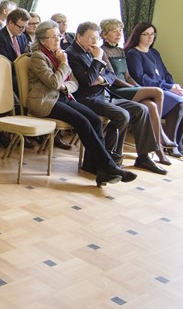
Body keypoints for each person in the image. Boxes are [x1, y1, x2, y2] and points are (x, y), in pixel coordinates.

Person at [25, 20, 137, 187]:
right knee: (82, 122)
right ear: (42, 40)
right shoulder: (38, 57)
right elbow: (54, 82)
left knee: (94, 119)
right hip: (44, 101)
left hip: (62, 97)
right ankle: (109, 167)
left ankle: (99, 169)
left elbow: (75, 83)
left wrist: (64, 86)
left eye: (58, 36)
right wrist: (63, 65)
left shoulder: (59, 54)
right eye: (53, 37)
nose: (57, 39)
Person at [67, 22, 166, 175]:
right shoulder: (72, 53)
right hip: (86, 98)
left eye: (96, 38)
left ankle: (143, 157)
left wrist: (102, 79)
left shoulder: (93, 50)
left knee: (141, 109)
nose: (94, 42)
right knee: (122, 115)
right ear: (79, 37)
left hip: (104, 95)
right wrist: (97, 59)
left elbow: (111, 75)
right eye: (91, 38)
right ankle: (111, 159)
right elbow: (87, 81)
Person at [99, 18, 173, 164]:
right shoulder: (103, 51)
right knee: (158, 92)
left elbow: (128, 76)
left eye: (120, 31)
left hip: (127, 87)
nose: (118, 34)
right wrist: (133, 87)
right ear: (104, 34)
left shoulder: (120, 50)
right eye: (114, 31)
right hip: (115, 90)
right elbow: (113, 77)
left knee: (151, 105)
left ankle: (152, 153)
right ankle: (160, 137)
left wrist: (136, 86)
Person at [125, 22, 183, 157]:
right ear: (138, 35)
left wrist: (174, 85)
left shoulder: (154, 52)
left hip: (164, 87)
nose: (150, 37)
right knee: (179, 103)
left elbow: (165, 72)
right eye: (146, 34)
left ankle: (178, 142)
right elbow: (140, 78)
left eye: (152, 34)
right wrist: (168, 87)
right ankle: (169, 144)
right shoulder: (133, 53)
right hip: (150, 90)